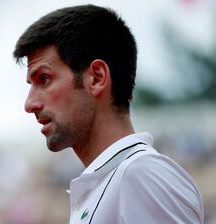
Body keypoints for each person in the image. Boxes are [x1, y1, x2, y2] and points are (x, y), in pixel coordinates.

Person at [13, 4, 204, 224]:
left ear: (96, 78)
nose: (30, 104)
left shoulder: (142, 174)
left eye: (44, 79)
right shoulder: (113, 181)